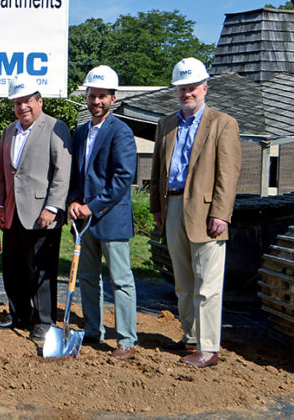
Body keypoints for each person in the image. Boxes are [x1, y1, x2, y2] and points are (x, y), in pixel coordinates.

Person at [150, 58, 241, 368]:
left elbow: (228, 173)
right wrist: (157, 208)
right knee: (183, 281)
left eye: (192, 88)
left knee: (208, 284)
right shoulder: (166, 125)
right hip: (173, 205)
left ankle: (209, 347)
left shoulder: (222, 123)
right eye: (182, 89)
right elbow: (157, 171)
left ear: (205, 88)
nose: (187, 93)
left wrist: (221, 213)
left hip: (206, 212)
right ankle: (190, 338)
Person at [0, 74, 72, 341]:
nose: (22, 107)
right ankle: (19, 314)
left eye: (27, 101)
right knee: (13, 266)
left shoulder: (54, 127)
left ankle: (44, 320)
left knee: (41, 268)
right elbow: (3, 174)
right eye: (17, 103)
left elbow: (62, 171)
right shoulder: (8, 131)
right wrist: (0, 204)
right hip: (13, 212)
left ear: (39, 101)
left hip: (41, 213)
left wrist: (52, 207)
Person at [67, 66, 138, 360]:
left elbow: (123, 178)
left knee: (120, 280)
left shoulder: (121, 131)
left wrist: (91, 206)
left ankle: (126, 340)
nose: (96, 101)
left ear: (113, 98)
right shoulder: (81, 132)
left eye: (102, 97)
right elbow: (76, 174)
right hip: (83, 221)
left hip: (111, 218)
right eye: (92, 96)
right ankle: (94, 330)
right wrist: (73, 200)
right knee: (87, 277)